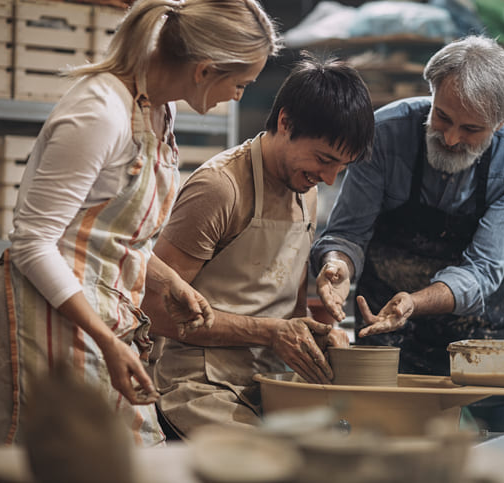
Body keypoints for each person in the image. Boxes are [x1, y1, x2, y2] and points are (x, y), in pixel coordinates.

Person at [0, 0, 279, 446]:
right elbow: (33, 243)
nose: (238, 96)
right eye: (239, 84)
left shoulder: (157, 110)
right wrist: (105, 341)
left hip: (105, 318)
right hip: (51, 317)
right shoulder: (99, 112)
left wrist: (170, 283)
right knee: (68, 462)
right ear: (204, 70)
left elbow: (115, 236)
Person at [310, 35, 504, 459]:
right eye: (442, 116)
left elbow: (482, 270)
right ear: (431, 92)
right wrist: (336, 266)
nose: (452, 138)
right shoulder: (384, 133)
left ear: (501, 124)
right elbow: (347, 234)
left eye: (472, 129)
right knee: (384, 462)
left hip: (481, 335)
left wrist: (415, 302)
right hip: (384, 328)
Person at [141, 56, 375, 438]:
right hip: (199, 383)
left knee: (354, 446)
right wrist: (269, 332)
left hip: (271, 378)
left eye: (341, 168)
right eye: (324, 159)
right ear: (286, 123)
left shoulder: (307, 191)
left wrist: (315, 335)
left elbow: (291, 312)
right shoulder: (220, 189)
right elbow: (156, 311)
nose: (330, 179)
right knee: (272, 465)